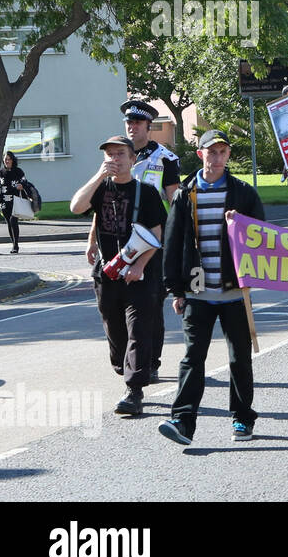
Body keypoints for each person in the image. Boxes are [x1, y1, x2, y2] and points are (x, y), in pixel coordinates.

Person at [157, 130, 266, 445]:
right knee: (193, 357)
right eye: (211, 151)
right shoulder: (185, 194)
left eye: (223, 152)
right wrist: (175, 290)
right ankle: (182, 422)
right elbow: (172, 242)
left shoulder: (243, 193)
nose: (217, 157)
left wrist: (240, 226)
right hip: (197, 291)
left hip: (234, 291)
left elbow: (264, 238)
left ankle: (243, 419)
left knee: (239, 358)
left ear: (228, 156)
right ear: (200, 154)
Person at [69, 135, 166, 417]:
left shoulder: (145, 193)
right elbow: (77, 207)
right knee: (114, 329)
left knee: (138, 329)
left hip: (139, 274)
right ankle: (127, 371)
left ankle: (134, 390)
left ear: (132, 159)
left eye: (120, 154)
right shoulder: (100, 188)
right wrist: (98, 176)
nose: (114, 159)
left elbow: (157, 235)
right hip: (107, 272)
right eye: (110, 155)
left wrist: (140, 266)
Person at [98, 100, 180, 385]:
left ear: (148, 126)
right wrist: (90, 241)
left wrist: (178, 236)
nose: (132, 127)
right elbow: (102, 203)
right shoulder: (117, 154)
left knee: (151, 304)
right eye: (128, 123)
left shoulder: (165, 158)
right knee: (115, 309)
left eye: (137, 123)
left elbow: (174, 200)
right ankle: (129, 361)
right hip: (119, 238)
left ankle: (150, 362)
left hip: (151, 240)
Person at [1, 151, 26, 253]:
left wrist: (22, 185)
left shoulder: (18, 171)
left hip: (15, 200)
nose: (7, 161)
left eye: (9, 159)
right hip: (4, 201)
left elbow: (25, 181)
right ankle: (13, 244)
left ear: (13, 160)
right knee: (8, 222)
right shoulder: (1, 172)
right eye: (6, 159)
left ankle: (16, 245)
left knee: (13, 221)